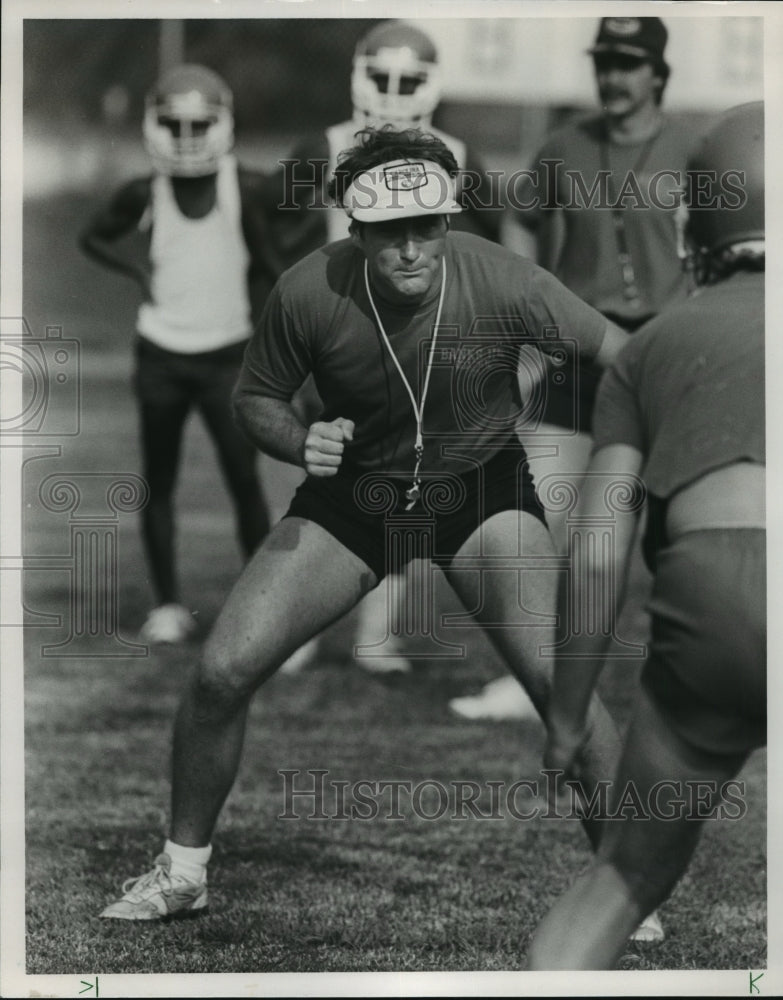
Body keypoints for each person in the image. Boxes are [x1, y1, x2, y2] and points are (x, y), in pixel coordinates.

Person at [99, 125, 637, 922]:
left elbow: (627, 358)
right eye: (391, 233)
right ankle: (183, 873)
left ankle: (628, 888)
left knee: (564, 686)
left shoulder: (508, 280)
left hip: (477, 492)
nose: (412, 249)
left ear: (448, 221)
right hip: (356, 498)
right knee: (221, 671)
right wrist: (298, 437)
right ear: (357, 230)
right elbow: (255, 399)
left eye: (428, 227)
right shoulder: (308, 289)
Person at [527, 101, 765, 970]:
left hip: (713, 601)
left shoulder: (649, 347)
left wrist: (563, 719)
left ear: (696, 222)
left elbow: (594, 551)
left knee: (622, 876)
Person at [451, 17, 691, 749]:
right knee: (542, 519)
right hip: (575, 357)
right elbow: (519, 222)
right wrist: (534, 298)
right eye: (603, 62)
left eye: (626, 63)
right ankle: (538, 677)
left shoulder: (694, 152)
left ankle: (687, 684)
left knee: (672, 534)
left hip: (663, 353)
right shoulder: (562, 148)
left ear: (657, 71)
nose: (611, 77)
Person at [270, 20, 504, 676]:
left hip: (419, 351)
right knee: (307, 487)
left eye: (408, 80)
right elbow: (274, 235)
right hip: (332, 345)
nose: (394, 93)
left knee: (405, 493)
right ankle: (294, 629)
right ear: (357, 76)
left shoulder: (458, 154)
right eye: (382, 78)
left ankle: (377, 634)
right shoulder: (323, 148)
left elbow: (488, 256)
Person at [80, 64, 278, 643]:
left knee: (244, 478)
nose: (188, 136)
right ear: (155, 125)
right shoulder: (145, 191)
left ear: (221, 124)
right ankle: (167, 606)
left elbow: (271, 265)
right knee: (159, 478)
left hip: (227, 356)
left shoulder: (244, 186)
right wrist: (136, 271)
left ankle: (262, 608)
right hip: (162, 354)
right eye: (176, 124)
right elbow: (91, 236)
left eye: (200, 124)